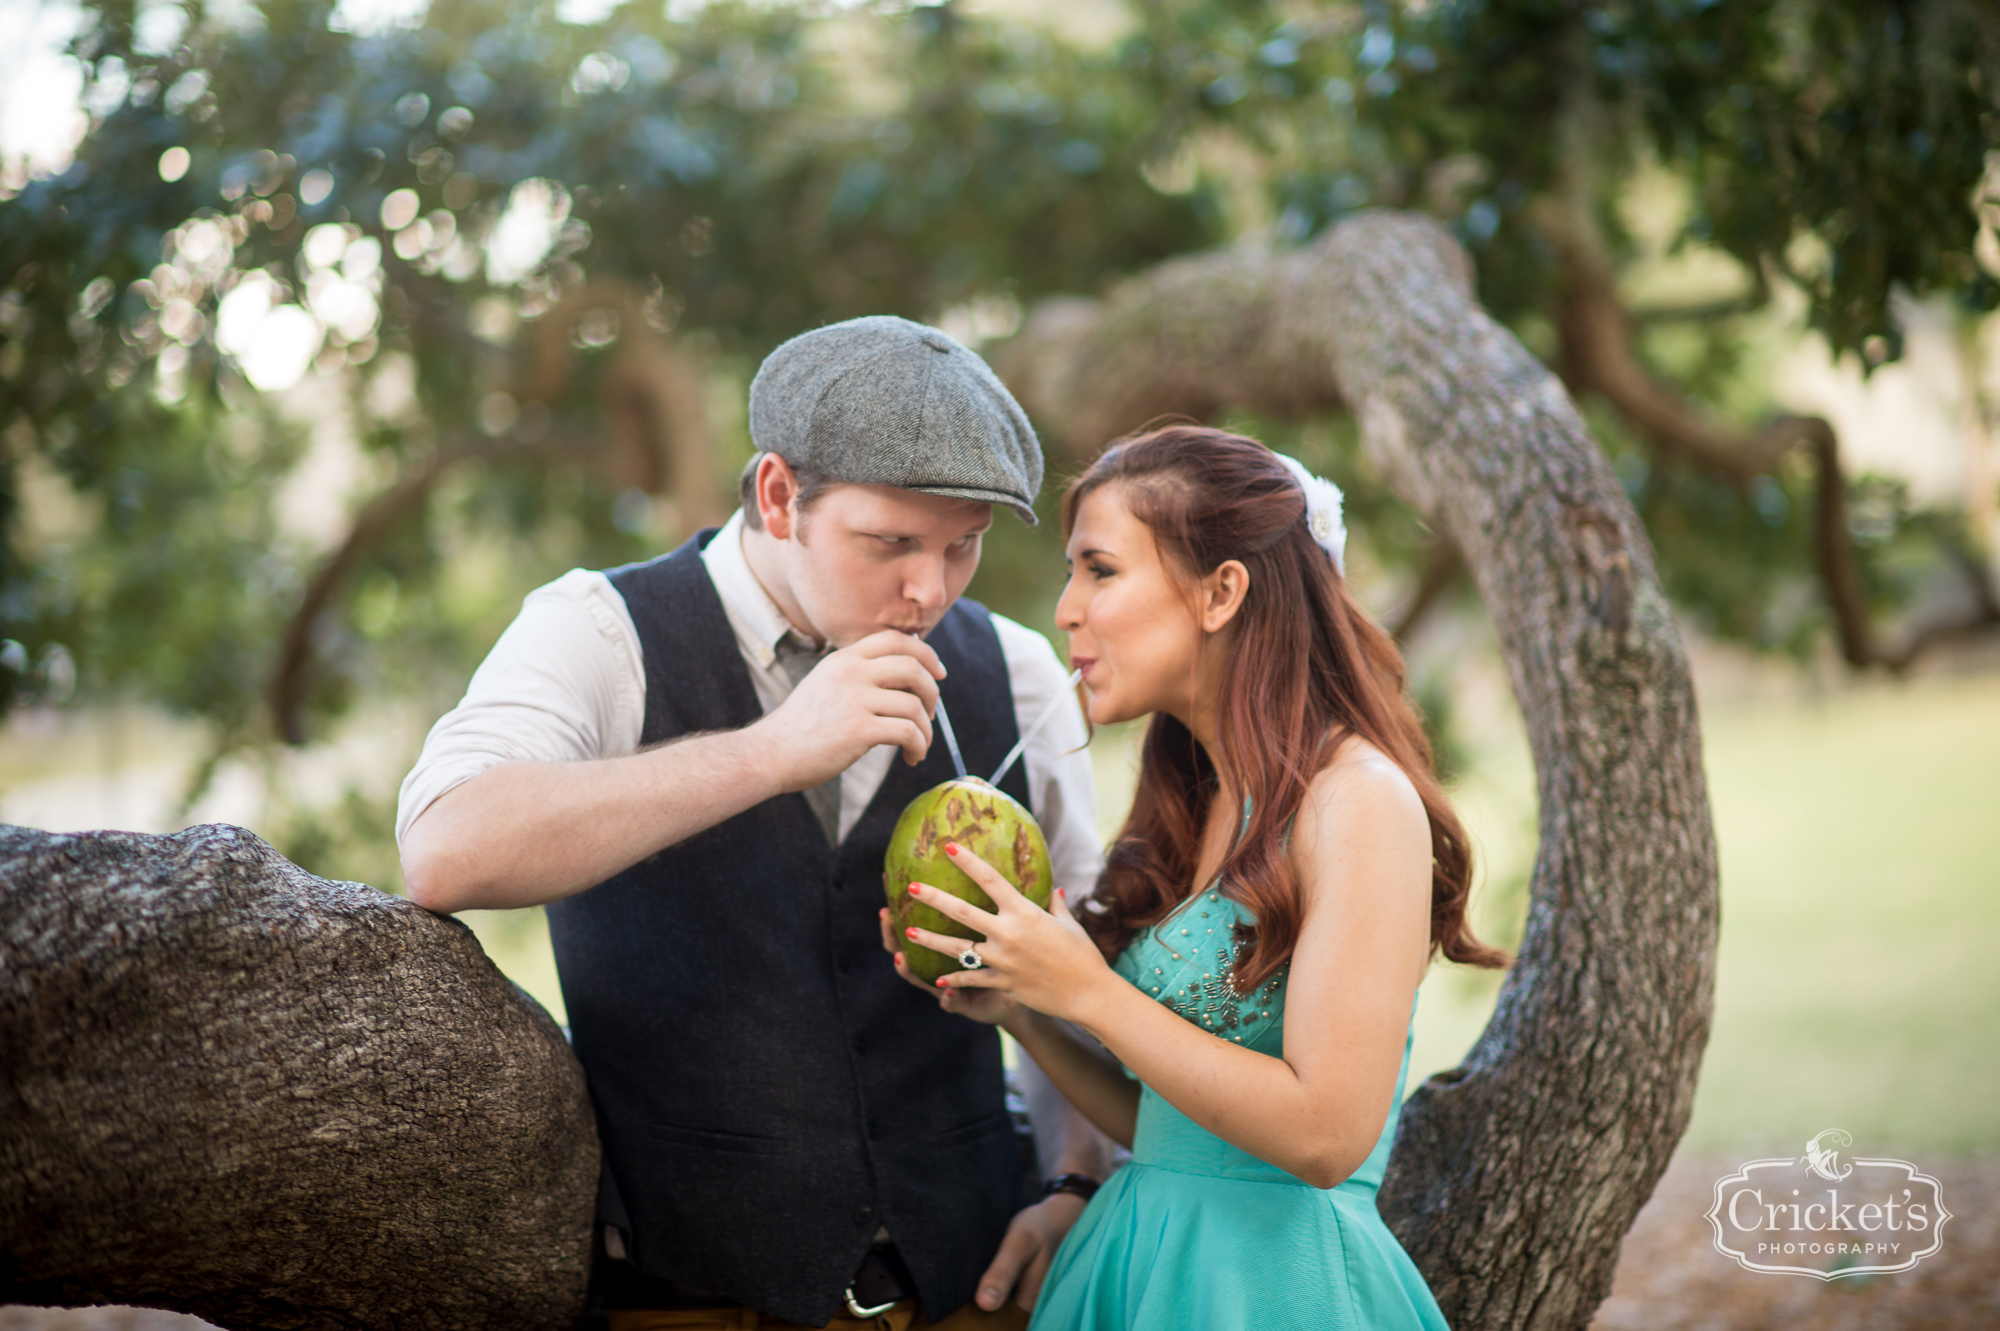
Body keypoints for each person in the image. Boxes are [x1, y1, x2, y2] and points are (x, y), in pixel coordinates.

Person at [395, 316, 1113, 1330]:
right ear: (778, 495)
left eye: (962, 546)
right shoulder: (596, 631)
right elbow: (443, 845)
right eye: (890, 542)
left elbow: (1078, 967)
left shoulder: (1016, 667)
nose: (929, 588)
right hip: (688, 1303)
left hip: (971, 1297)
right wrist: (767, 752)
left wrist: (1074, 1184)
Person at [885, 424, 1509, 1329]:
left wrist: (1089, 992)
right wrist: (1025, 1006)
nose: (1066, 608)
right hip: (1143, 1262)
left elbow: (1327, 1135)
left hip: (1269, 1290)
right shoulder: (1201, 801)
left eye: (1099, 570)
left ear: (1221, 591)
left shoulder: (1357, 801)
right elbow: (1174, 1132)